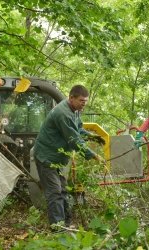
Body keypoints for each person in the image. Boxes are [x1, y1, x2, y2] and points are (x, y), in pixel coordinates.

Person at [33, 84, 104, 227]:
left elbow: (77, 129)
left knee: (63, 190)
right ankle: (57, 228)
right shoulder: (63, 113)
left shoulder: (74, 110)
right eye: (81, 101)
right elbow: (74, 140)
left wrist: (91, 136)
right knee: (55, 192)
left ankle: (66, 223)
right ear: (71, 98)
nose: (83, 105)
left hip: (58, 158)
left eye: (85, 102)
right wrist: (93, 155)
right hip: (46, 157)